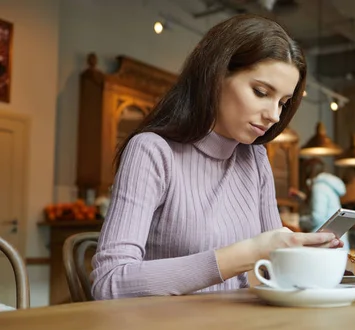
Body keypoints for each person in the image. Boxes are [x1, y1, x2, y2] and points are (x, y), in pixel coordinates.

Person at [91, 15, 341, 300]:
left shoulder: (255, 159)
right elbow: (109, 284)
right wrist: (247, 254)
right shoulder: (152, 151)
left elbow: (273, 272)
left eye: (283, 103)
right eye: (261, 92)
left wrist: (301, 257)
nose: (274, 115)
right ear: (215, 76)